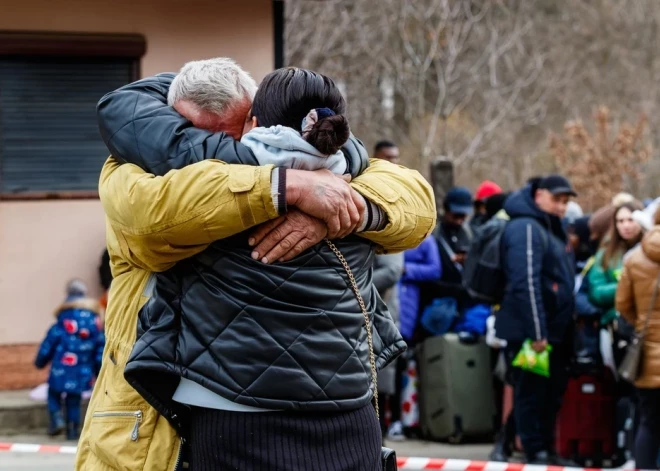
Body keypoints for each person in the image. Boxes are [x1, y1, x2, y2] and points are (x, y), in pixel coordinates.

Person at [76, 60, 436, 471]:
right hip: (155, 423)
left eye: (237, 130)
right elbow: (151, 224)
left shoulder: (334, 169)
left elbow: (417, 204)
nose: (231, 150)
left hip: (313, 416)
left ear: (254, 117)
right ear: (169, 125)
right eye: (199, 133)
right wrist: (287, 187)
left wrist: (337, 211)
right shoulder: (136, 170)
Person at [495, 175, 577, 465]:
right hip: (532, 333)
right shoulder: (526, 227)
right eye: (557, 200)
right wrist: (538, 332)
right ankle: (535, 453)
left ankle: (540, 450)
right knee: (532, 395)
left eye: (566, 202)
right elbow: (525, 282)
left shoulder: (550, 226)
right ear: (539, 195)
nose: (562, 207)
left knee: (546, 394)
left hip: (552, 331)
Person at [616, 214, 660, 470]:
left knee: (650, 422)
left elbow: (622, 304)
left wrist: (642, 324)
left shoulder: (633, 259)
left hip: (647, 356)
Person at [35, 280, 104, 440]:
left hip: (61, 367)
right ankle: (72, 431)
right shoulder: (94, 322)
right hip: (83, 369)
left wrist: (40, 361)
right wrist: (99, 370)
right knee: (74, 399)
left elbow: (50, 341)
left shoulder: (63, 318)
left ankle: (57, 419)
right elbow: (99, 348)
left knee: (53, 393)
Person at [588, 202, 644, 326]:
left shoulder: (652, 250)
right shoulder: (606, 253)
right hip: (616, 320)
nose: (626, 225)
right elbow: (596, 293)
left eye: (631, 219)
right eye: (620, 221)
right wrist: (625, 284)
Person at [373, 252, 405, 440]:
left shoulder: (388, 226)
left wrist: (351, 282)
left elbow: (392, 270)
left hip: (377, 317)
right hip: (361, 313)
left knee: (380, 387)